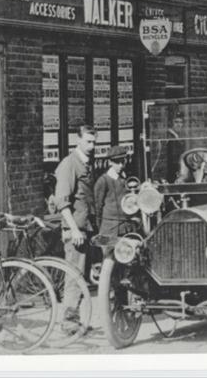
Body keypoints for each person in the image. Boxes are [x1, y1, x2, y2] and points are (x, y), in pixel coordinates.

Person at [52, 124, 96, 324]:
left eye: (94, 142)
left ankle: (75, 321)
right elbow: (62, 201)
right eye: (88, 141)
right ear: (78, 140)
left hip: (85, 228)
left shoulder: (87, 163)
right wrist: (74, 229)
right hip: (75, 230)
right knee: (74, 278)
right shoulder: (69, 164)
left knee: (81, 277)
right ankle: (69, 323)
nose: (92, 145)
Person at [93, 145, 136, 239]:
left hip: (126, 229)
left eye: (123, 161)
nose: (121, 165)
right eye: (117, 162)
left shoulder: (126, 178)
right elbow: (97, 208)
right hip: (109, 231)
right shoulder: (103, 181)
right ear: (110, 162)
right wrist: (101, 229)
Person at [166, 113, 185, 183]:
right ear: (172, 123)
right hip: (171, 169)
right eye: (176, 122)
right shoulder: (169, 135)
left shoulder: (181, 135)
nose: (179, 125)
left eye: (181, 122)